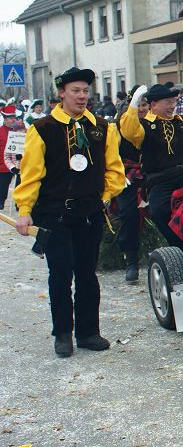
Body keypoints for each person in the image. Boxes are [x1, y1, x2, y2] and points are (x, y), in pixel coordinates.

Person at [13, 67, 125, 357]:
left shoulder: (102, 127)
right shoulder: (42, 129)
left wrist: (105, 196)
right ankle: (63, 333)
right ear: (61, 93)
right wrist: (24, 210)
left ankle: (88, 332)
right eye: (76, 91)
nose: (82, 96)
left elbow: (114, 169)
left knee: (87, 275)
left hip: (90, 213)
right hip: (54, 215)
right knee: (60, 275)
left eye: (86, 91)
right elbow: (31, 175)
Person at [119, 83, 183, 262]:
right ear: (154, 105)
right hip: (159, 179)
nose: (172, 105)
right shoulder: (143, 126)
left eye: (173, 101)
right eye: (167, 102)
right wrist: (134, 102)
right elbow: (128, 131)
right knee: (159, 212)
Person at [112, 86, 149, 283]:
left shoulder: (155, 124)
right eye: (138, 105)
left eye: (145, 105)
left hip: (152, 173)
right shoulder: (116, 127)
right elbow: (110, 157)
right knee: (128, 212)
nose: (142, 109)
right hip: (127, 174)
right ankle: (131, 261)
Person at [0, 106, 18, 210]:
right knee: (3, 185)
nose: (13, 120)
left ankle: (19, 204)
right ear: (5, 119)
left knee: (20, 185)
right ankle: (1, 201)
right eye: (11, 118)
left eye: (14, 117)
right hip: (3, 164)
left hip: (18, 163)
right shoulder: (0, 131)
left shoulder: (18, 131)